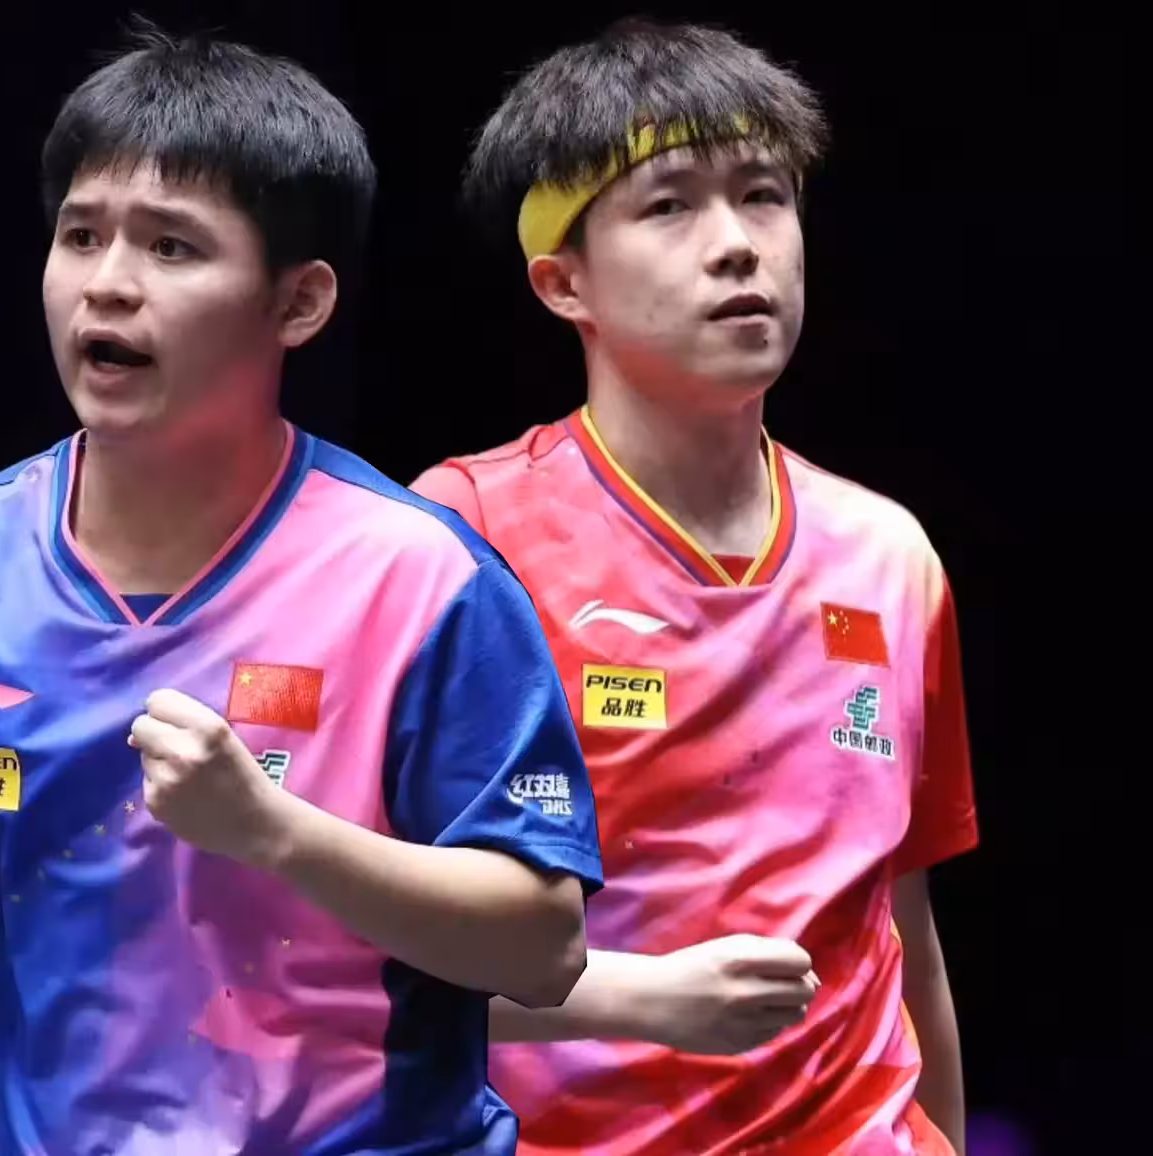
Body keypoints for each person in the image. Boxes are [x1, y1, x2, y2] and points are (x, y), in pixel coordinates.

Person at [0, 27, 605, 1156]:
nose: (107, 283)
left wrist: (274, 834)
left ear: (299, 303)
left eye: (171, 246)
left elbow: (542, 948)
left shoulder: (423, 576)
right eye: (81, 235)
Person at [411, 17, 978, 1156]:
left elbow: (900, 928)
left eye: (764, 196)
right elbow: (358, 955)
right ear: (563, 281)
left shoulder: (890, 556)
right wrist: (635, 997)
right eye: (669, 206)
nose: (737, 246)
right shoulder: (463, 540)